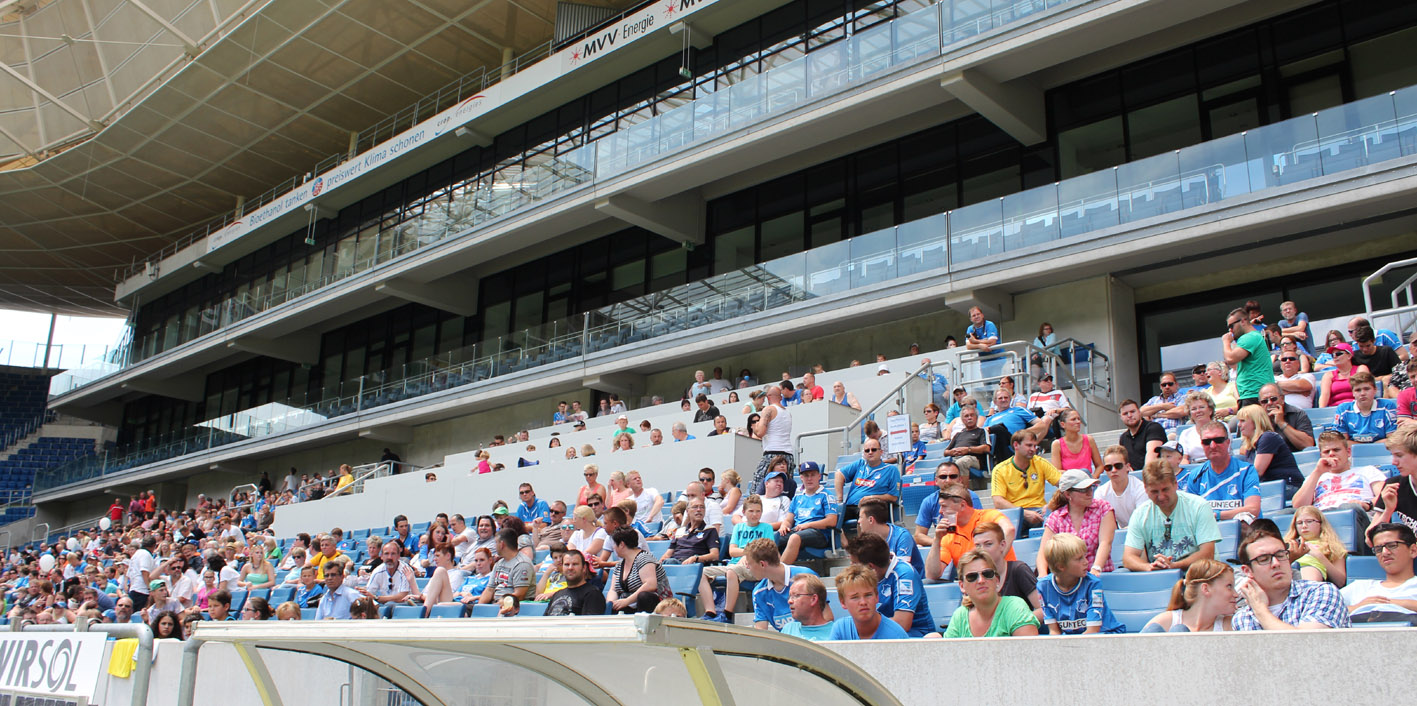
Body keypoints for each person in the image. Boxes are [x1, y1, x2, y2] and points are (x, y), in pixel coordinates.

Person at [1231, 521, 1350, 630]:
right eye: (1263, 559)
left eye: (1280, 555)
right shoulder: (1242, 619)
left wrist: (1260, 611)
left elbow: (1308, 644)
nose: (1276, 563)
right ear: (1247, 571)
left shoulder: (1321, 592)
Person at [1122, 461, 1221, 572]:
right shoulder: (1140, 514)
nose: (1161, 497)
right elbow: (1128, 558)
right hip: (1160, 576)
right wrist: (1149, 567)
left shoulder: (1199, 506)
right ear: (1145, 489)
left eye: (1165, 489)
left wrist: (1174, 566)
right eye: (1154, 491)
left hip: (1200, 573)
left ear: (1175, 484)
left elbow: (1207, 553)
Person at [700, 495, 775, 623]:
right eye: (751, 511)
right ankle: (710, 611)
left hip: (754, 567)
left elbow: (769, 551)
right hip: (734, 564)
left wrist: (749, 557)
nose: (754, 514)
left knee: (731, 572)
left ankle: (727, 613)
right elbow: (732, 551)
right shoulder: (739, 528)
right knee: (701, 573)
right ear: (744, 512)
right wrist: (747, 553)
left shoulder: (766, 528)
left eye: (758, 511)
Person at [847, 533, 935, 637]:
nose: (850, 567)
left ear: (871, 567)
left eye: (854, 563)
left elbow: (902, 624)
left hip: (915, 635)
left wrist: (863, 628)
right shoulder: (867, 577)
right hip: (880, 635)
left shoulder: (905, 574)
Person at [924, 484, 1018, 581]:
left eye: (944, 506)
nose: (940, 511)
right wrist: (937, 540)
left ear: (962, 505)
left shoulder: (988, 516)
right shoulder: (947, 535)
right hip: (974, 586)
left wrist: (993, 565)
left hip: (1004, 579)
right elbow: (932, 575)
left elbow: (1010, 530)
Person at [1292, 432, 1386, 528]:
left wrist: (1367, 504)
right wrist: (1317, 472)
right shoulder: (1315, 477)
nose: (1331, 454)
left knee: (1349, 508)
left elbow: (1386, 496)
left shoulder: (1368, 471)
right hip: (1321, 520)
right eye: (1326, 452)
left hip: (1354, 515)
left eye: (1336, 450)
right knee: (1287, 513)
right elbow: (1298, 506)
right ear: (1321, 456)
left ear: (1348, 452)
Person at [1037, 533, 1124, 634]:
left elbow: (1093, 631)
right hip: (1074, 640)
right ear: (1061, 566)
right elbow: (1054, 631)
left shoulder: (1093, 584)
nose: (1086, 562)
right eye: (1079, 559)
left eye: (1084, 556)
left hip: (1106, 636)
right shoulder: (1043, 587)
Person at [942, 549, 1040, 638]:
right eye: (972, 577)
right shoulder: (960, 616)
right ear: (962, 586)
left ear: (997, 580)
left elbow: (1028, 653)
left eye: (987, 574)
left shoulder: (1015, 607)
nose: (981, 580)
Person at [1037, 470, 1116, 575]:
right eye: (1083, 490)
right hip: (1068, 581)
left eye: (1091, 488)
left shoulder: (1103, 508)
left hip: (1100, 577)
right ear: (1068, 494)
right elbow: (1043, 553)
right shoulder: (1055, 518)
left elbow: (1105, 542)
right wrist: (1042, 576)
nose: (1089, 493)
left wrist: (1096, 569)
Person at [1183, 420, 1261, 522]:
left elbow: (1253, 509)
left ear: (1228, 442)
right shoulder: (1195, 475)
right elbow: (1190, 514)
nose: (1213, 446)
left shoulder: (1246, 471)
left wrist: (1216, 515)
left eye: (1218, 440)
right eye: (1207, 442)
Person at [1341, 523, 1417, 624]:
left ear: (1413, 550)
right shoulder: (1360, 586)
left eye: (1392, 545)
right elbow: (1321, 609)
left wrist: (1393, 604)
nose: (1385, 552)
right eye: (1378, 549)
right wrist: (1357, 607)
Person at [1139, 559, 1237, 632]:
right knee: (1177, 631)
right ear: (1206, 589)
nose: (1236, 594)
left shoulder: (1230, 626)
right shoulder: (1165, 621)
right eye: (1229, 586)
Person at [990, 430, 1061, 531]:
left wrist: (1050, 505)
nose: (1033, 449)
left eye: (1035, 446)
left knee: (1054, 518)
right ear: (1016, 445)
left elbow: (1063, 485)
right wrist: (1022, 513)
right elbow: (998, 501)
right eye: (1029, 445)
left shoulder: (1040, 463)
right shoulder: (1000, 469)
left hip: (1039, 511)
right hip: (1014, 512)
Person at [777, 462, 840, 565]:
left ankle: (780, 573)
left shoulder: (826, 495)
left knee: (795, 537)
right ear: (801, 477)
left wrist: (808, 525)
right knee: (770, 539)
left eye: (812, 475)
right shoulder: (797, 497)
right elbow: (789, 520)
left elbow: (832, 521)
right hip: (798, 530)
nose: (809, 479)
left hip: (819, 533)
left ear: (819, 476)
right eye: (806, 475)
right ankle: (775, 570)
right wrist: (784, 526)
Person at [1235, 404, 1304, 495]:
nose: (1239, 425)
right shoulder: (1251, 446)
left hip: (1288, 486)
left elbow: (1257, 472)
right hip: (1270, 487)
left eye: (1243, 421)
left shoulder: (1268, 437)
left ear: (1256, 422)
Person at [828, 566, 910, 640]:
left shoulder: (896, 635)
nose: (863, 602)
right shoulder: (840, 629)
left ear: (877, 597)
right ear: (843, 602)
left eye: (868, 595)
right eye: (855, 597)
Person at [607, 528, 673, 614]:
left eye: (615, 544)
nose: (613, 548)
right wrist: (611, 603)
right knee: (615, 606)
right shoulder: (619, 565)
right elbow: (613, 590)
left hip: (655, 604)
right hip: (631, 605)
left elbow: (650, 585)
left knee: (644, 596)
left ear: (622, 544)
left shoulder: (645, 558)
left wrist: (627, 601)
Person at [834, 439, 900, 523]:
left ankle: (861, 536)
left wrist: (871, 497)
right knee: (831, 517)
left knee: (864, 516)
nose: (870, 452)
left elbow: (893, 497)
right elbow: (839, 474)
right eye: (867, 450)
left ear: (881, 452)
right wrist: (840, 500)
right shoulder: (860, 464)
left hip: (872, 507)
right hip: (850, 506)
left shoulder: (891, 470)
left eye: (874, 449)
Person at [857, 498, 924, 576]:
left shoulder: (902, 536)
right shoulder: (867, 540)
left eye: (861, 517)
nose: (859, 521)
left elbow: (903, 570)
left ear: (871, 520)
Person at [1284, 506, 1348, 587]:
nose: (1304, 526)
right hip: (1288, 576)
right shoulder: (1288, 545)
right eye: (1299, 523)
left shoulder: (1332, 547)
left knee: (1310, 567)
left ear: (1320, 523)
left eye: (1309, 521)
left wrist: (1319, 556)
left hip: (1311, 578)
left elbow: (1341, 582)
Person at [1223, 307, 1275, 408]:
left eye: (1231, 326)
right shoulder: (1252, 337)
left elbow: (1230, 359)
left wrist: (1226, 341)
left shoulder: (1249, 337)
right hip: (1251, 394)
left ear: (1243, 321)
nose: (1230, 330)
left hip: (1254, 394)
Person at [750, 386, 794, 494]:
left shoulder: (769, 409)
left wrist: (755, 427)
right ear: (780, 397)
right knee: (783, 490)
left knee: (757, 490)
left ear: (768, 397)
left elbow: (760, 432)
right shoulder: (787, 413)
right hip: (788, 455)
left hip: (772, 454)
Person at [1332, 371, 1399, 443]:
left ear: (1375, 390)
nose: (1362, 393)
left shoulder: (1387, 406)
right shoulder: (1343, 409)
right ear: (1353, 393)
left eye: (1366, 389)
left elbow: (1392, 440)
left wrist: (1365, 447)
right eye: (1358, 390)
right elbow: (1341, 442)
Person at [1375, 427, 1417, 531]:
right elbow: (1370, 539)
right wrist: (1388, 510)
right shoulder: (1393, 485)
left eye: (1399, 455)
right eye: (1393, 455)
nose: (1394, 462)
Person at [1094, 445, 1146, 529]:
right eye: (1108, 467)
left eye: (1118, 466)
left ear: (1127, 467)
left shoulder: (1141, 489)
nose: (1113, 470)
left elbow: (1142, 522)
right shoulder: (1100, 493)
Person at [545, 547, 607, 616]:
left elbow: (589, 624)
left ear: (584, 568)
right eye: (566, 564)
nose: (570, 568)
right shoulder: (557, 594)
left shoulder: (593, 594)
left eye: (575, 564)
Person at [478, 529, 533, 606]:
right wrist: (479, 607)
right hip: (496, 604)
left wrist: (497, 606)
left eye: (496, 543)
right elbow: (489, 590)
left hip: (512, 607)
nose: (494, 546)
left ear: (502, 544)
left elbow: (520, 595)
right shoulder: (499, 564)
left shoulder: (522, 564)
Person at [1259, 382, 1316, 452]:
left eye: (1273, 399)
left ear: (1282, 399)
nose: (1269, 403)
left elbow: (1308, 445)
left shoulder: (1297, 414)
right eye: (1264, 401)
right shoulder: (1256, 418)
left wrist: (1282, 423)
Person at [362, 541, 420, 606]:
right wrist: (364, 592)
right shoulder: (377, 571)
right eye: (386, 554)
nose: (389, 557)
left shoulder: (406, 570)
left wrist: (377, 598)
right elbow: (369, 593)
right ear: (381, 556)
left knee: (389, 604)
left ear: (398, 556)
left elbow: (402, 596)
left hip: (404, 606)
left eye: (393, 554)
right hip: (386, 606)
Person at [780, 573, 834, 641]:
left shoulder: (835, 632)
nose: (790, 601)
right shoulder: (788, 629)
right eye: (790, 596)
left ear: (813, 599)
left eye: (796, 596)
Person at [1117, 399, 1166, 471]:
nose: (1130, 415)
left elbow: (1152, 454)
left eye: (1132, 412)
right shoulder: (1123, 438)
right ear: (1121, 417)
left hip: (1156, 474)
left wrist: (1143, 476)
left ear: (1139, 413)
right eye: (1125, 413)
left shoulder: (1153, 428)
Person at [1050, 409, 1101, 476]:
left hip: (1088, 482)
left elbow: (1100, 466)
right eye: (1073, 419)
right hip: (1069, 482)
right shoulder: (1057, 444)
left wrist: (1093, 478)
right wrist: (1077, 475)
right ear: (1063, 424)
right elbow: (1056, 471)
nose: (1078, 422)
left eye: (1078, 419)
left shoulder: (1089, 440)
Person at [943, 404, 990, 477]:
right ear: (962, 419)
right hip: (957, 457)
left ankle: (963, 488)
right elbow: (945, 452)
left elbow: (986, 448)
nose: (969, 418)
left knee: (962, 462)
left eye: (972, 415)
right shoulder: (958, 434)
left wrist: (968, 450)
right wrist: (952, 452)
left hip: (974, 459)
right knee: (943, 468)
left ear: (976, 417)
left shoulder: (981, 431)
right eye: (966, 416)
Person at [1319, 342, 1369, 408]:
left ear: (1349, 356)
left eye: (1338, 353)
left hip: (1357, 408)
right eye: (1332, 355)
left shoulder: (1360, 369)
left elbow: (1364, 391)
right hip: (1336, 411)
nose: (1335, 356)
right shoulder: (1328, 375)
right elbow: (1324, 396)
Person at [1176, 392, 1220, 465]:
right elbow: (1184, 459)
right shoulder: (1185, 434)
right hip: (1195, 468)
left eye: (1202, 407)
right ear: (1190, 414)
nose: (1198, 411)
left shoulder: (1221, 428)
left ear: (1210, 410)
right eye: (1194, 409)